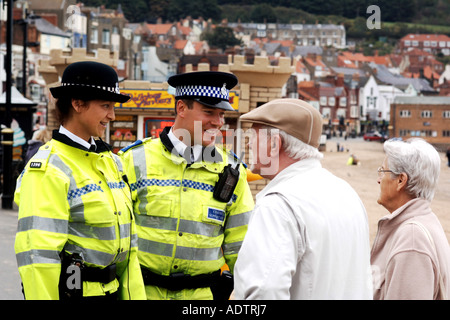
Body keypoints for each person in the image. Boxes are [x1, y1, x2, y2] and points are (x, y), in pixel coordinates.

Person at [14, 61, 146, 300]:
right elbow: (38, 257)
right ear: (77, 103)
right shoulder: (49, 168)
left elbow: (130, 248)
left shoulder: (112, 163)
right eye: (106, 105)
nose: (112, 115)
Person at [119, 71, 254, 300]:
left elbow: (241, 246)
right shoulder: (133, 160)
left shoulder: (232, 171)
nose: (218, 122)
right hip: (141, 293)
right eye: (209, 112)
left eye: (221, 114)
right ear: (181, 108)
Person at [233, 98, 373, 299]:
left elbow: (263, 292)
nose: (247, 143)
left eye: (253, 136)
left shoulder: (278, 205)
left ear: (274, 144)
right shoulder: (347, 193)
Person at [371, 138, 450, 300]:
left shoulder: (412, 239)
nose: (379, 179)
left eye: (383, 171)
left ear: (401, 180)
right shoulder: (426, 220)